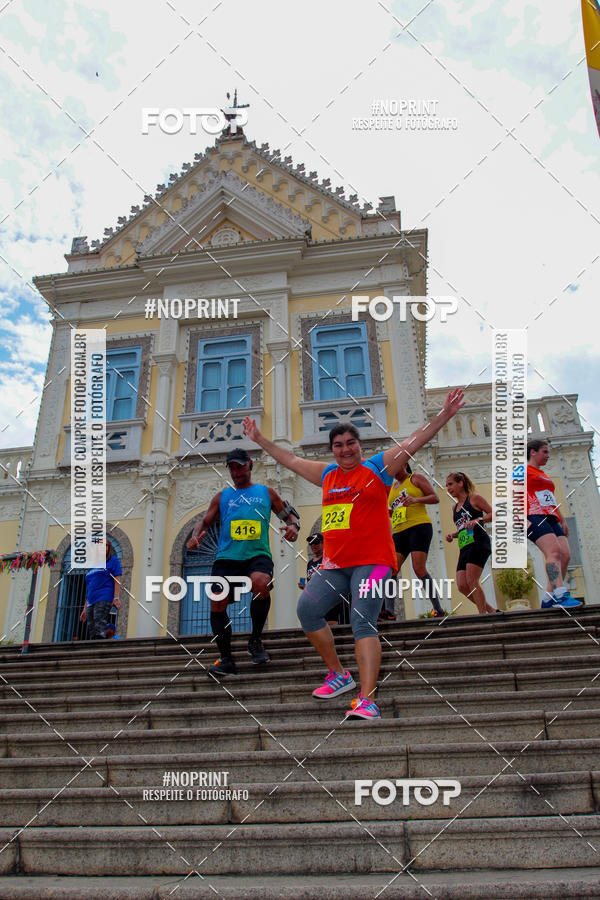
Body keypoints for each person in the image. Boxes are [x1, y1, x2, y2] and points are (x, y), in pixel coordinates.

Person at [242, 388, 465, 721]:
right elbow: (288, 459)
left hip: (374, 562)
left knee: (363, 620)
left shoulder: (378, 467)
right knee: (308, 610)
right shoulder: (327, 475)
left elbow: (413, 441)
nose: (345, 450)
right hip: (336, 565)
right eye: (338, 445)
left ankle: (367, 699)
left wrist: (444, 415)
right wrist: (260, 439)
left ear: (359, 446)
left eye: (350, 443)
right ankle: (339, 674)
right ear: (332, 450)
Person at [186, 448, 300, 678]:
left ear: (250, 465)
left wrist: (293, 526)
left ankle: (255, 640)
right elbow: (204, 521)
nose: (236, 472)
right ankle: (226, 659)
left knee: (260, 582)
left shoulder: (266, 492)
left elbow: (289, 514)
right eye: (232, 468)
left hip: (257, 555)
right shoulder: (223, 496)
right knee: (217, 601)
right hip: (227, 558)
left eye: (240, 466)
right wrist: (195, 535)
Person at [526, 439, 580, 608]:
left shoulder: (543, 475)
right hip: (533, 514)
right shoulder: (522, 471)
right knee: (554, 552)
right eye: (545, 451)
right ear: (533, 452)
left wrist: (562, 519)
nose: (548, 456)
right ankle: (561, 595)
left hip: (551, 516)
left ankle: (549, 597)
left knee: (565, 555)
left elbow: (550, 498)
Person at [387, 463, 445, 618]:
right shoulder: (392, 488)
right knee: (391, 570)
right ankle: (389, 611)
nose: (392, 470)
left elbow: (435, 498)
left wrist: (415, 499)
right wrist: (388, 512)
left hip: (418, 526)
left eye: (394, 466)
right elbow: (396, 511)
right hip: (399, 531)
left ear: (404, 464)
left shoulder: (415, 478)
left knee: (418, 568)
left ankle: (438, 608)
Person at [445, 472, 497, 615]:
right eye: (446, 486)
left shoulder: (474, 498)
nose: (448, 488)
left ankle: (482, 615)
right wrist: (453, 535)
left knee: (471, 580)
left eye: (450, 484)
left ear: (460, 483)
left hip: (479, 542)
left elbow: (494, 514)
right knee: (462, 585)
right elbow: (463, 527)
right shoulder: (454, 508)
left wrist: (479, 520)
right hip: (464, 546)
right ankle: (491, 610)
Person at [80, 539, 122, 639]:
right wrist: (85, 608)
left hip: (104, 596)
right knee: (91, 627)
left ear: (108, 548)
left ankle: (100, 649)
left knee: (99, 623)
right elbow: (90, 587)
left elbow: (117, 579)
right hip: (91, 599)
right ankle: (93, 650)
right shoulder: (93, 566)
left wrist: (116, 597)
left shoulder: (113, 560)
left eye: (105, 545)